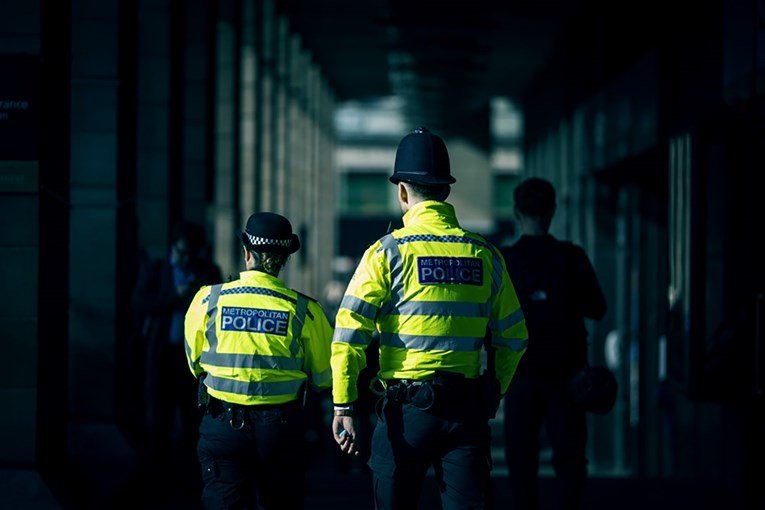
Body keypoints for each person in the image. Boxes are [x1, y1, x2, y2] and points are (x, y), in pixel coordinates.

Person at [330, 127, 528, 509]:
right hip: (466, 412)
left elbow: (349, 335)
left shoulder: (386, 253)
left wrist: (344, 405)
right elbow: (515, 337)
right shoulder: (485, 255)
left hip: (405, 415)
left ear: (402, 192)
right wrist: (494, 391)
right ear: (446, 191)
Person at [184, 212, 333, 510]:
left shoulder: (208, 300)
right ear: (285, 259)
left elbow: (195, 363)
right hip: (280, 431)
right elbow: (324, 377)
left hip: (222, 425)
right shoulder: (306, 311)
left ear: (246, 252)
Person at [500, 177, 607, 510]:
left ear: (517, 213)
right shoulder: (571, 257)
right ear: (552, 211)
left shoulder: (505, 260)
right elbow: (598, 308)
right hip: (567, 374)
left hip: (520, 373)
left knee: (521, 459)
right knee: (570, 459)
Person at [130, 220, 222, 495]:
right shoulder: (157, 270)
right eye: (181, 252)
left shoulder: (207, 272)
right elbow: (140, 302)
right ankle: (159, 479)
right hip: (161, 355)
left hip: (192, 361)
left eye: (191, 253)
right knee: (158, 419)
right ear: (173, 248)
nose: (185, 259)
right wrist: (174, 296)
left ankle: (190, 481)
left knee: (193, 420)